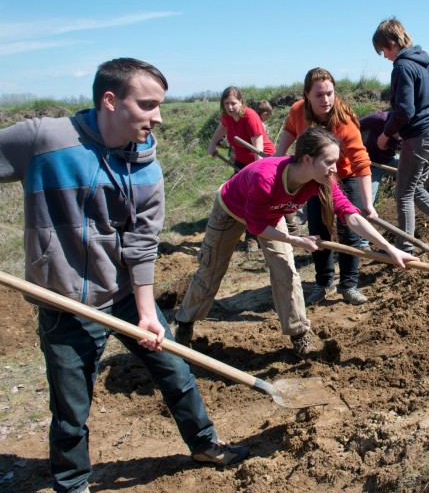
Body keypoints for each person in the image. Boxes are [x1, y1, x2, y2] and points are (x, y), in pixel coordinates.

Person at [0, 58, 248, 492]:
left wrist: (148, 314)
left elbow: (141, 246)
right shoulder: (43, 140)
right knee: (71, 408)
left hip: (126, 296)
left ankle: (205, 443)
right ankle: (73, 483)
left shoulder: (147, 169)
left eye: (160, 105)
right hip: (64, 304)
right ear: (110, 101)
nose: (159, 117)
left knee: (176, 372)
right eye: (148, 104)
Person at [174, 126, 417, 355]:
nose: (335, 168)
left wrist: (389, 249)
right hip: (230, 209)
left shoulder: (321, 181)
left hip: (270, 214)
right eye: (329, 162)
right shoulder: (265, 177)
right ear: (308, 159)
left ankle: (299, 333)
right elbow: (256, 226)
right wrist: (295, 240)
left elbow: (350, 215)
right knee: (211, 268)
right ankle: (184, 322)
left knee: (286, 270)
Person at [275, 68, 376, 306]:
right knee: (318, 232)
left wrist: (368, 204)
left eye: (330, 93)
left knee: (349, 233)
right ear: (307, 95)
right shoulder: (298, 111)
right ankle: (323, 283)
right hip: (315, 179)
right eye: (319, 95)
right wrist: (277, 159)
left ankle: (349, 285)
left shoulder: (344, 121)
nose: (326, 100)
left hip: (344, 177)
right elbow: (290, 130)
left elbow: (361, 161)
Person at [371, 18, 429, 255]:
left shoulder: (402, 67)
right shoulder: (426, 65)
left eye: (383, 51)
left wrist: (386, 134)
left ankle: (405, 247)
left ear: (391, 42)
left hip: (420, 137)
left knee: (403, 194)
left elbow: (404, 110)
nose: (385, 57)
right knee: (417, 186)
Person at [207, 87, 276, 252]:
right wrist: (212, 144)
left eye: (233, 103)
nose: (230, 107)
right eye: (226, 104)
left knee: (260, 197)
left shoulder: (250, 116)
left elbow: (258, 149)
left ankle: (269, 234)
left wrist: (257, 174)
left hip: (263, 160)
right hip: (241, 161)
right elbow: (222, 128)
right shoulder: (227, 116)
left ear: (241, 102)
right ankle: (248, 235)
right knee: (240, 196)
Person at [360, 110, 429, 210]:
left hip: (391, 160)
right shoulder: (379, 118)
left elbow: (417, 149)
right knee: (367, 202)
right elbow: (355, 126)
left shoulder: (411, 131)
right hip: (371, 164)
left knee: (424, 179)